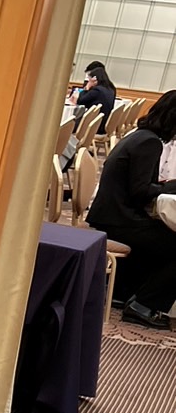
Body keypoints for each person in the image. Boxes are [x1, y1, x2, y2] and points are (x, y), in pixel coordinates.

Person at [86, 89, 176, 328]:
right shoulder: (150, 143)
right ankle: (143, 305)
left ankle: (124, 291)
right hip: (119, 219)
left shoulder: (140, 136)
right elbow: (140, 192)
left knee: (163, 234)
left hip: (112, 214)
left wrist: (162, 186)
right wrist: (170, 186)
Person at [75, 61, 117, 134]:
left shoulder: (97, 90)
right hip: (103, 123)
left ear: (95, 79)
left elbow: (80, 101)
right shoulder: (111, 88)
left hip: (95, 125)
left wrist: (87, 88)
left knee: (69, 123)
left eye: (89, 79)